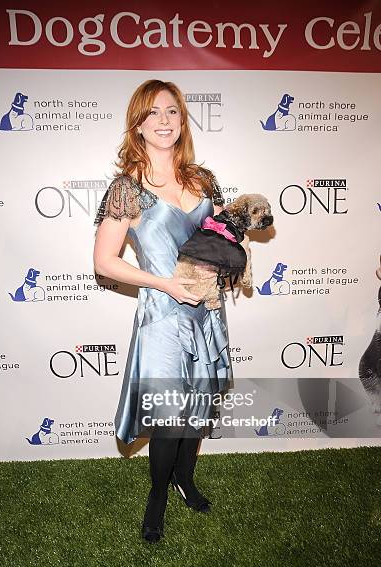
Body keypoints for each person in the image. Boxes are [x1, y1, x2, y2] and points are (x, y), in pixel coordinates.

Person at [93, 79, 238, 543]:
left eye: (172, 111)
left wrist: (227, 261)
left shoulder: (202, 180)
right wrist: (163, 283)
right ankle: (158, 494)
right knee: (171, 418)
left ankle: (185, 478)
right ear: (137, 123)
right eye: (152, 112)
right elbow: (104, 261)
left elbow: (220, 235)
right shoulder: (128, 188)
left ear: (183, 120)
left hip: (207, 313)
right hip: (163, 318)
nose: (164, 120)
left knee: (198, 407)